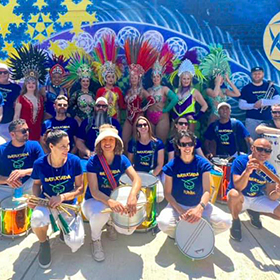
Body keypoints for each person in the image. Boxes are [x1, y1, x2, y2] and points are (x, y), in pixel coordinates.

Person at [82, 124, 141, 262]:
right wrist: (110, 202)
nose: (107, 143)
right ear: (99, 143)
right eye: (104, 140)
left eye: (111, 140)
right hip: (94, 200)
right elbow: (95, 191)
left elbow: (137, 178)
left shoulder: (122, 159)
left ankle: (110, 223)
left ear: (116, 142)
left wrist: (132, 196)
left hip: (114, 197)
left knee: (127, 229)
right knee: (99, 215)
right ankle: (95, 240)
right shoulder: (93, 162)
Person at [157, 130, 231, 238]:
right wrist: (180, 210)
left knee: (226, 221)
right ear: (178, 146)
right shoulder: (171, 166)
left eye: (190, 144)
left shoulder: (203, 164)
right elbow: (167, 193)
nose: (187, 147)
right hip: (178, 205)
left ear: (194, 145)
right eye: (183, 144)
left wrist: (199, 208)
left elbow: (207, 190)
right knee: (163, 223)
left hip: (199, 204)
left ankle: (200, 234)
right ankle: (179, 235)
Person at [30, 129, 83, 268]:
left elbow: (80, 188)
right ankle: (44, 243)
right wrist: (35, 199)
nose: (67, 149)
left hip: (68, 204)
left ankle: (62, 228)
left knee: (75, 243)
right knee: (36, 218)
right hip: (46, 203)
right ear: (51, 146)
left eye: (68, 145)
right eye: (63, 146)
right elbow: (36, 185)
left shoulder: (74, 161)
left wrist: (63, 196)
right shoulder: (39, 164)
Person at [227, 138, 280, 242]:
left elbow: (271, 196)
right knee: (233, 194)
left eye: (267, 151)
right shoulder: (240, 161)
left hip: (257, 198)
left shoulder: (270, 169)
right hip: (241, 197)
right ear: (252, 148)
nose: (263, 153)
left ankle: (255, 211)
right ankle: (235, 220)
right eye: (260, 149)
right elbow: (238, 187)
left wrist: (277, 193)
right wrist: (247, 172)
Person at [122, 38, 157, 152]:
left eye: (135, 78)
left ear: (138, 79)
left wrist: (143, 108)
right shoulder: (128, 91)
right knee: (124, 139)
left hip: (138, 116)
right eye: (131, 77)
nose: (133, 79)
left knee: (135, 138)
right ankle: (125, 159)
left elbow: (152, 100)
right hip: (128, 117)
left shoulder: (142, 90)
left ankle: (133, 160)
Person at [9, 44, 47, 141]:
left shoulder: (41, 98)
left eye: (33, 83)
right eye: (28, 83)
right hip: (24, 131)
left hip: (38, 131)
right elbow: (16, 116)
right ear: (25, 84)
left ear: (36, 84)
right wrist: (15, 133)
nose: (31, 85)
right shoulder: (21, 99)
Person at [0, 119, 44, 201]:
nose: (27, 133)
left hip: (28, 183)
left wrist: (24, 172)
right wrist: (7, 180)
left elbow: (44, 167)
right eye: (23, 131)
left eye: (28, 130)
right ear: (12, 134)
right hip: (6, 187)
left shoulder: (34, 146)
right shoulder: (2, 150)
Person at [146, 44, 178, 143]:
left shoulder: (164, 89)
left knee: (161, 143)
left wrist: (166, 110)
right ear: (151, 78)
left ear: (161, 77)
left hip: (162, 117)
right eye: (154, 77)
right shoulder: (148, 90)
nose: (156, 79)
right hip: (149, 117)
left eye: (157, 77)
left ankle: (162, 158)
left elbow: (175, 99)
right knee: (150, 142)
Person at [127, 116, 164, 202]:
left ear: (148, 126)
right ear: (136, 128)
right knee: (136, 196)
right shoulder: (133, 143)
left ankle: (153, 211)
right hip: (137, 174)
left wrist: (151, 176)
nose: (143, 127)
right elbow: (129, 162)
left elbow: (160, 164)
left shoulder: (157, 143)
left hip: (153, 173)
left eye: (145, 125)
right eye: (140, 125)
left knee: (159, 196)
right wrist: (135, 177)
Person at [239, 66, 280, 140]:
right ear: (251, 75)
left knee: (268, 142)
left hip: (268, 120)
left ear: (263, 74)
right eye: (255, 74)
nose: (257, 75)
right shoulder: (246, 88)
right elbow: (241, 105)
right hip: (252, 119)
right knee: (252, 142)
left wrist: (263, 102)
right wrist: (254, 106)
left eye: (259, 74)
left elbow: (278, 100)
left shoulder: (269, 86)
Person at [171, 57, 208, 132]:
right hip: (176, 120)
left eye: (188, 79)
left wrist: (196, 117)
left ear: (191, 80)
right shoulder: (175, 91)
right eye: (184, 79)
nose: (186, 81)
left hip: (189, 121)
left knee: (188, 140)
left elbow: (205, 105)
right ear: (180, 79)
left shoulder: (194, 92)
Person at [94, 35, 126, 121]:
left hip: (116, 117)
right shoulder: (100, 91)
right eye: (108, 77)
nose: (110, 79)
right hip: (102, 118)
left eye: (112, 77)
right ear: (105, 78)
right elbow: (96, 107)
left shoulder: (117, 90)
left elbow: (122, 105)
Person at [65, 52, 95, 125]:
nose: (85, 83)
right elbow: (69, 107)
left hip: (90, 123)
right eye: (83, 81)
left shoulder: (92, 94)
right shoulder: (76, 94)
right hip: (79, 123)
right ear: (80, 82)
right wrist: (75, 116)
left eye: (87, 81)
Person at [43, 55, 68, 119]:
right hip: (48, 119)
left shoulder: (66, 90)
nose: (57, 79)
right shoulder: (44, 89)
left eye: (59, 77)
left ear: (62, 78)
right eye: (54, 77)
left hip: (62, 119)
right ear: (51, 77)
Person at [0, 63, 21, 141]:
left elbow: (17, 105)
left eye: (5, 72)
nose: (2, 74)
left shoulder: (16, 88)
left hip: (8, 123)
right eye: (0, 72)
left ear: (9, 74)